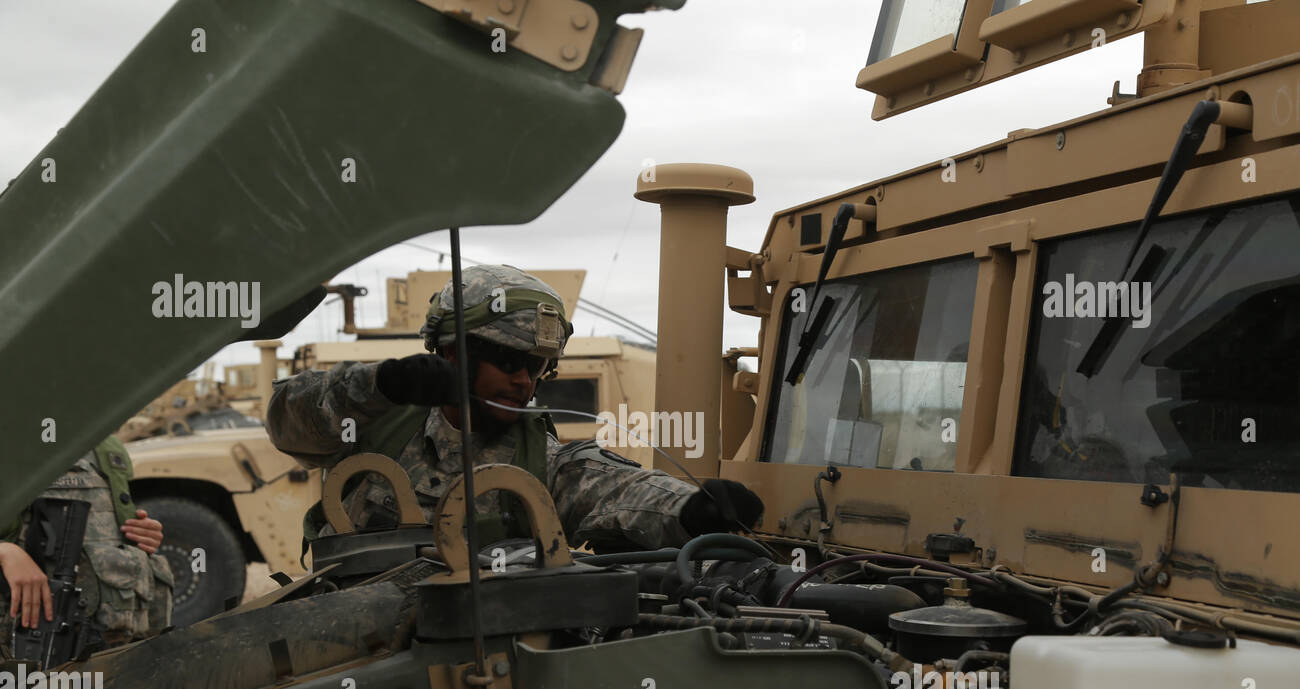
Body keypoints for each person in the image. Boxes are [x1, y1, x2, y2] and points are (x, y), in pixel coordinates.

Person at [267, 264, 764, 554]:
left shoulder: (532, 460)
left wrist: (691, 507)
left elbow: (606, 486)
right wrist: (379, 384)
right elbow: (288, 423)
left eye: (537, 367)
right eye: (507, 360)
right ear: (453, 353)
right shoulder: (375, 420)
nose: (523, 380)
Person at [1, 436, 174, 655]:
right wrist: (5, 552)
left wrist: (143, 532)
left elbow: (109, 533)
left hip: (116, 646)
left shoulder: (104, 445)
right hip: (27, 650)